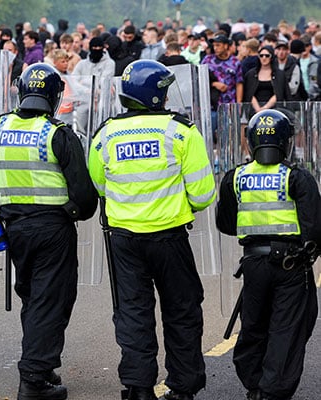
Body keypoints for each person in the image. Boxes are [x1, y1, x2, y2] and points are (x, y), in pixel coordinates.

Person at [87, 60, 216, 400]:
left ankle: (138, 387)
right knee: (182, 311)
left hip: (123, 240)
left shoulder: (105, 134)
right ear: (157, 96)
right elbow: (203, 195)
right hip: (170, 238)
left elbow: (99, 185)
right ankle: (183, 387)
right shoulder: (181, 132)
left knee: (132, 312)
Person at [0, 62, 98, 400]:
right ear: (54, 95)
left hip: (14, 226)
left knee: (33, 298)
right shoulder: (57, 133)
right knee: (51, 300)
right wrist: (71, 210)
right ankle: (33, 378)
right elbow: (85, 197)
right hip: (52, 228)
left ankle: (42, 365)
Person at [215, 109, 321, 400]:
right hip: (291, 264)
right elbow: (315, 227)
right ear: (286, 141)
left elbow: (225, 223)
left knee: (254, 324)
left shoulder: (234, 177)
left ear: (250, 141)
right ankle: (273, 390)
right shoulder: (297, 178)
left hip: (253, 262)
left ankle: (254, 383)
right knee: (286, 328)